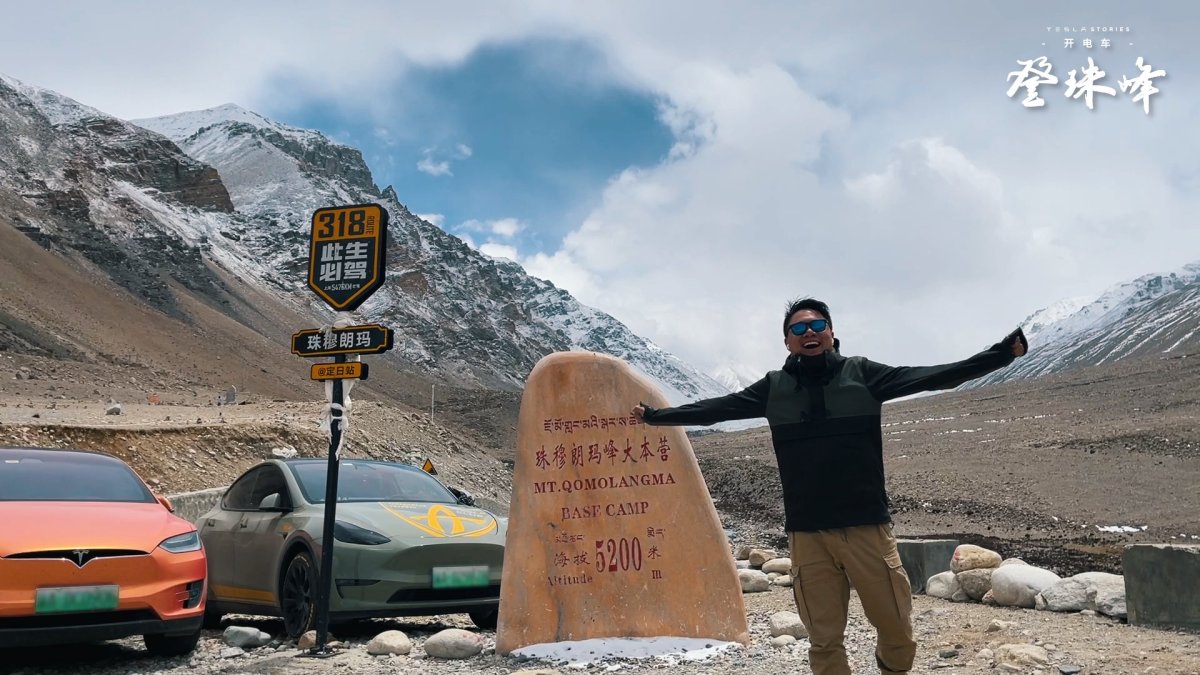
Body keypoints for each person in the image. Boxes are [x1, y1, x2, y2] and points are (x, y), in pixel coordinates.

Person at [632, 298, 1027, 675]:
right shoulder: (774, 388)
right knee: (823, 640)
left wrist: (1000, 354)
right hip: (808, 535)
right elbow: (715, 409)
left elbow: (933, 376)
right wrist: (656, 417)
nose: (809, 332)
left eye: (817, 325)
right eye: (798, 327)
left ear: (831, 332)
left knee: (896, 630)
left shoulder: (862, 374)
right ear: (787, 340)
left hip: (867, 528)